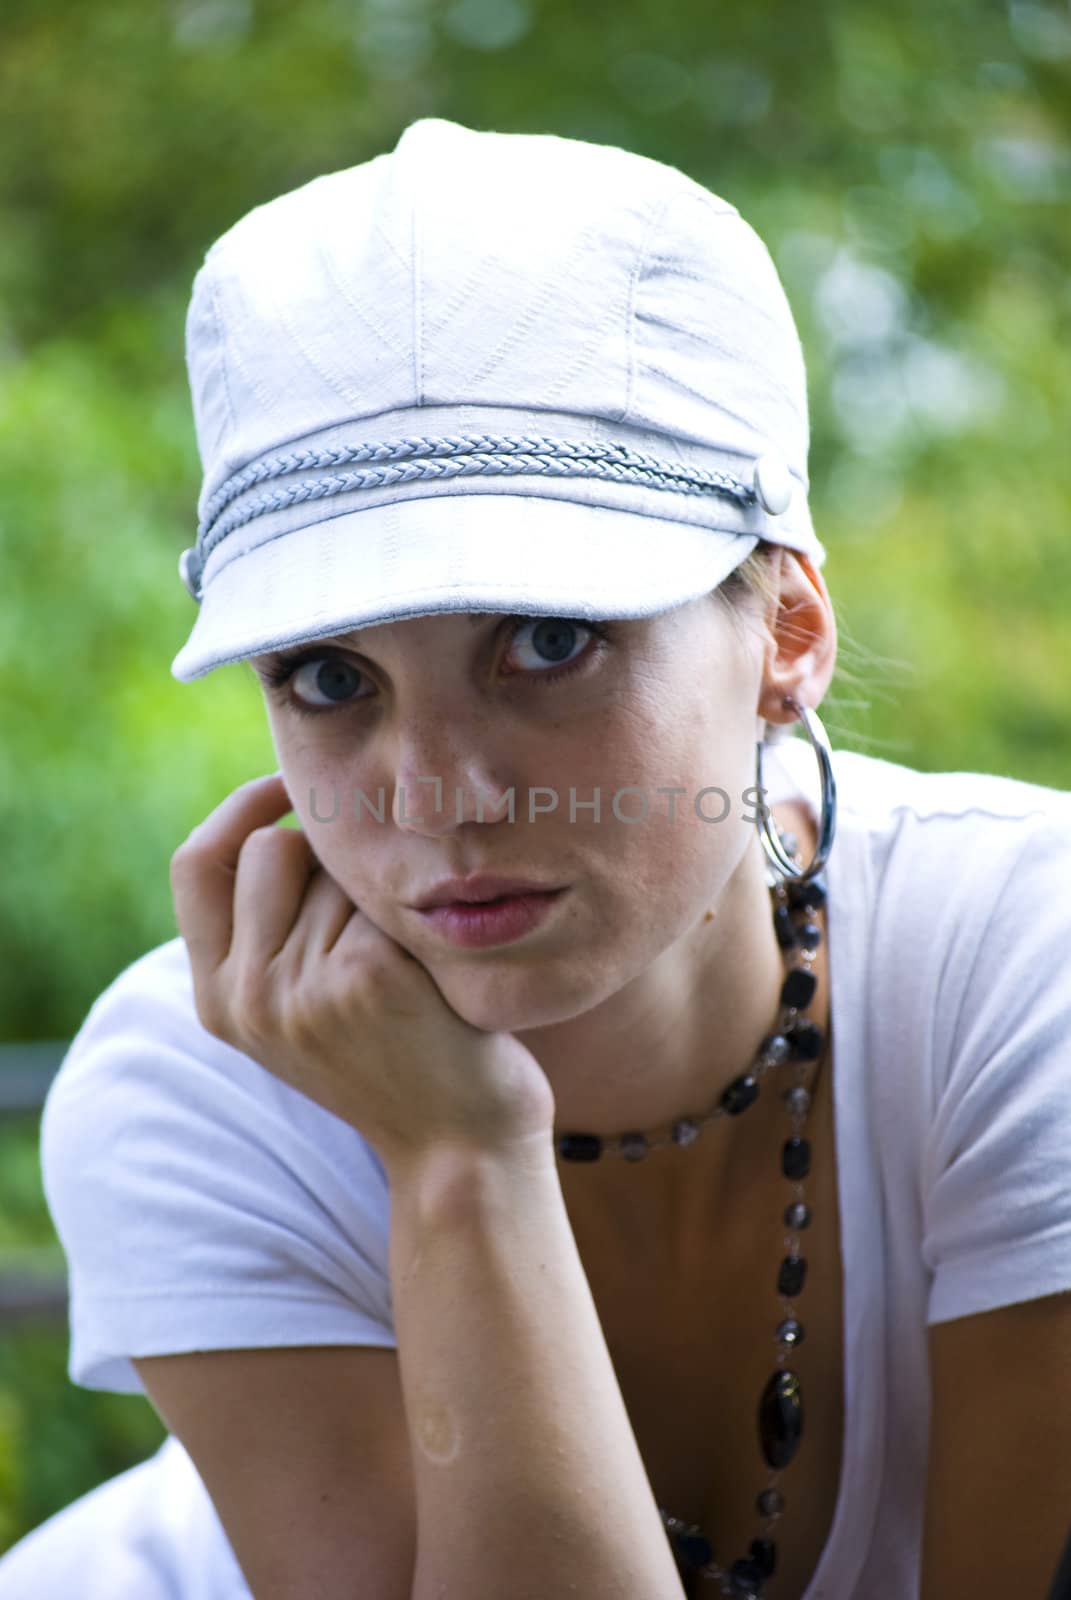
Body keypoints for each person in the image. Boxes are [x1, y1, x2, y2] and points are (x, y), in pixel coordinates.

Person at [2, 115, 1069, 1600]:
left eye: (548, 641)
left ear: (788, 634)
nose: (438, 798)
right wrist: (456, 1161)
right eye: (329, 677)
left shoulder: (1020, 968)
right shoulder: (193, 1089)